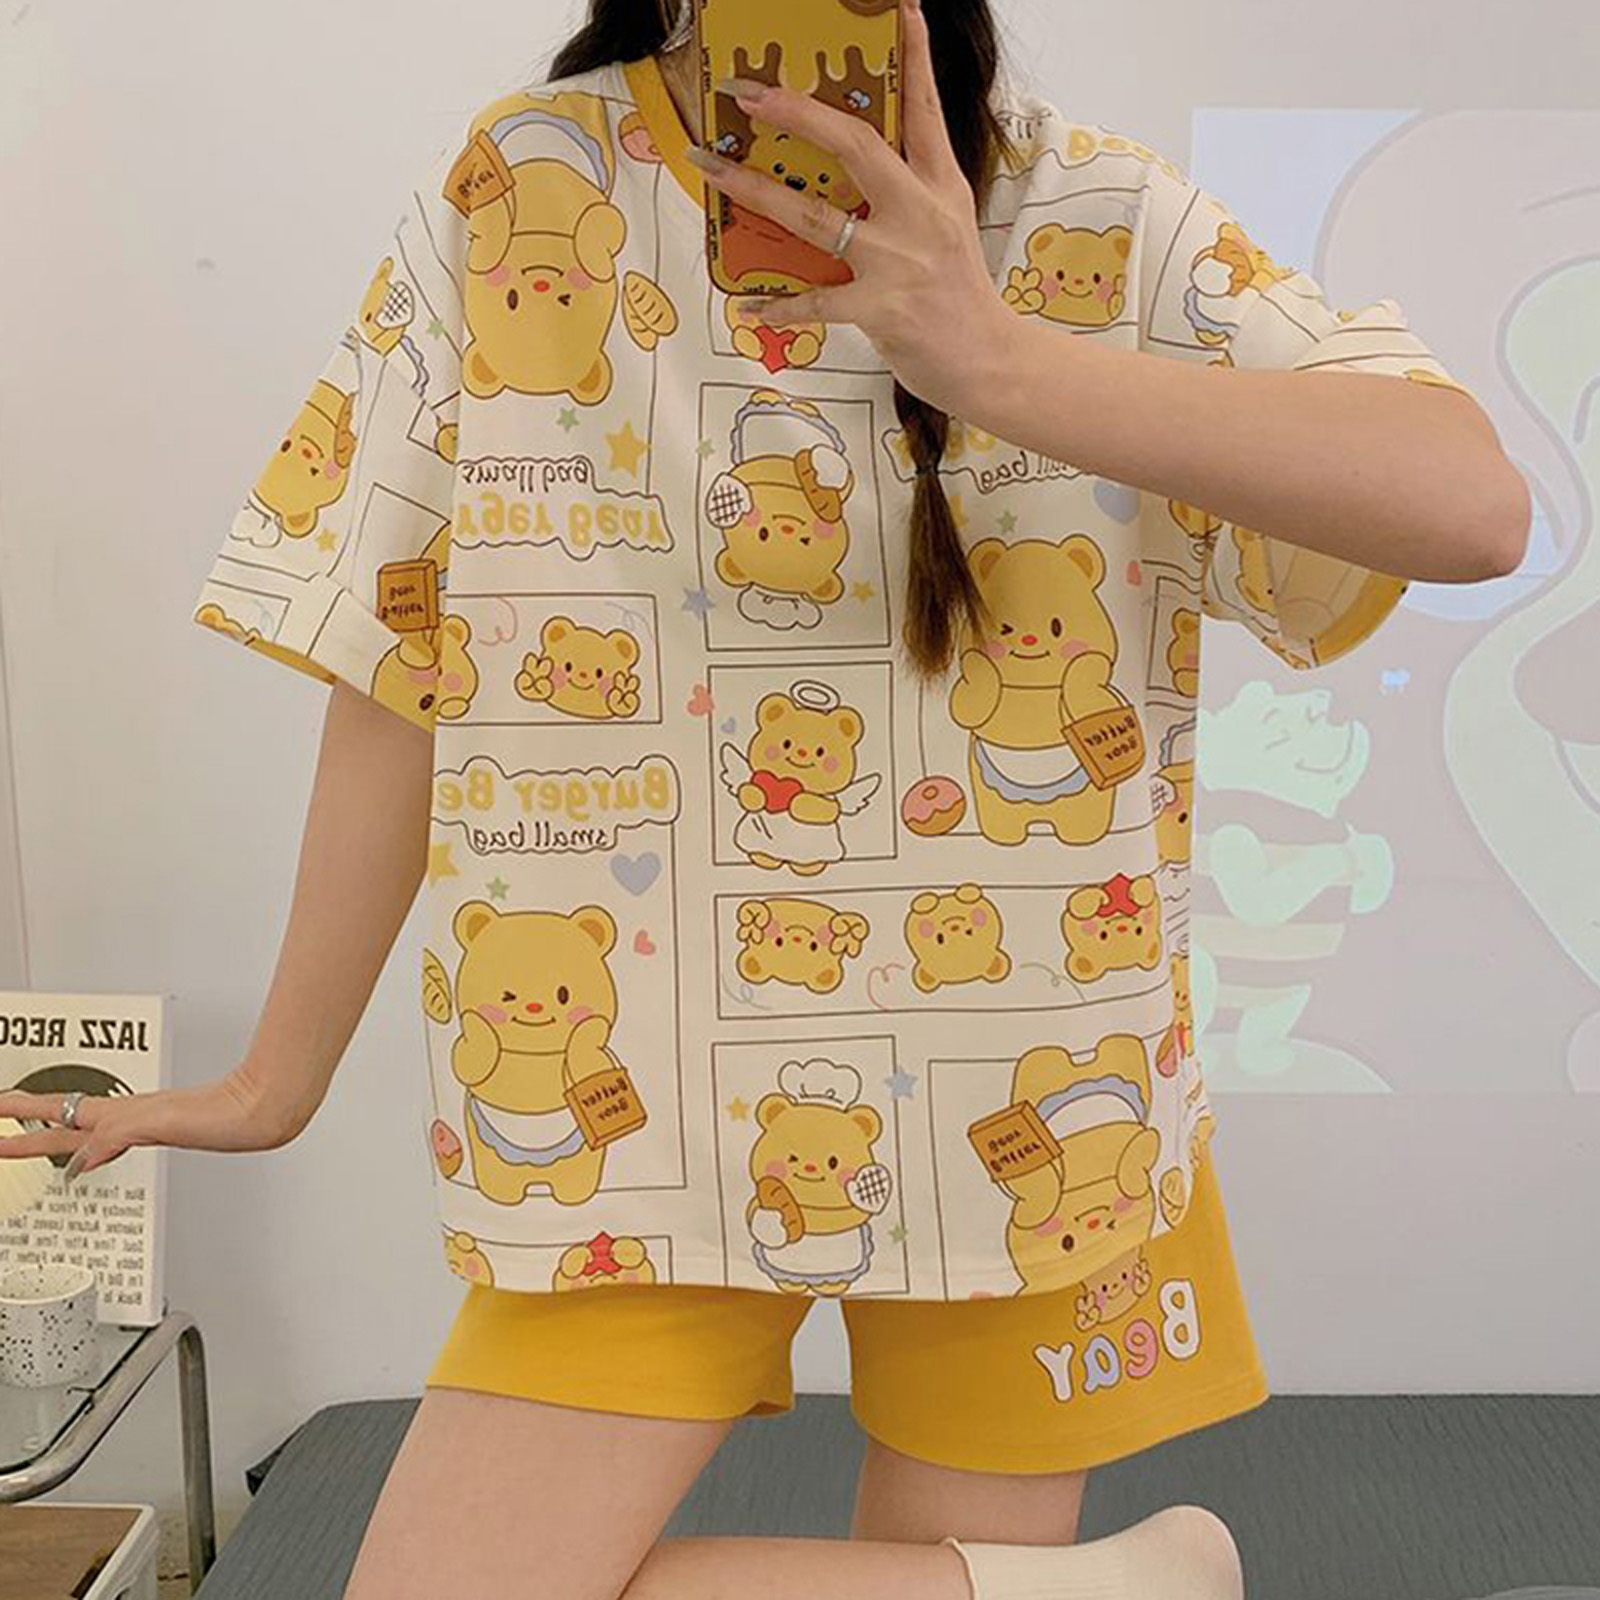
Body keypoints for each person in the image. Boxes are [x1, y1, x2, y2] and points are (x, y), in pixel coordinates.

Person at [1, 0, 1528, 1596]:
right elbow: (404, 647)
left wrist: (996, 358)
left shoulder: (1091, 214)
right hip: (622, 1099)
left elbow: (1474, 508)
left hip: (1020, 1095)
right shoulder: (528, 184)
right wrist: (275, 1081)